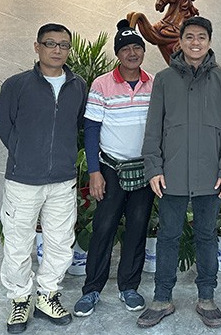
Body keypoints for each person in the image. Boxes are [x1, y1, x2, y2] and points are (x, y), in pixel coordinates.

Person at [137, 16, 221, 329]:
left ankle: (207, 297)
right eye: (190, 37)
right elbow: (153, 127)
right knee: (168, 235)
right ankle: (162, 298)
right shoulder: (164, 79)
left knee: (206, 235)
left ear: (209, 42)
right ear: (180, 42)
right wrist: (153, 167)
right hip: (171, 174)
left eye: (201, 37)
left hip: (211, 175)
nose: (195, 43)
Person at [0, 23, 87, 333]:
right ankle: (20, 299)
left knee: (60, 242)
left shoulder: (78, 86)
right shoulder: (16, 85)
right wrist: (25, 154)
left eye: (64, 45)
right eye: (50, 43)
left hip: (62, 179)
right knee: (18, 244)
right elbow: (3, 125)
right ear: (37, 47)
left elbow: (77, 124)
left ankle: (48, 295)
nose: (57, 50)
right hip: (23, 180)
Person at [73, 20, 155, 317]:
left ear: (143, 51)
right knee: (104, 227)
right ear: (118, 54)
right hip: (110, 168)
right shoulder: (102, 84)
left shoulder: (154, 83)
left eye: (137, 47)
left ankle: (129, 287)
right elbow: (92, 130)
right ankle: (92, 290)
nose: (132, 53)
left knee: (137, 228)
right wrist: (94, 172)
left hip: (144, 169)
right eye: (126, 49)